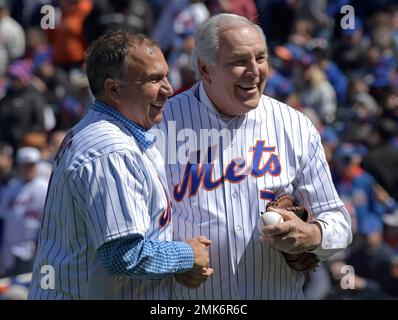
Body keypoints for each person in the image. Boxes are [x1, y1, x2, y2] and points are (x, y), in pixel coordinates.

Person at [155, 13, 352, 299]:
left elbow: (339, 221)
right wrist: (172, 258)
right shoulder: (161, 126)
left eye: (260, 58)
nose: (254, 71)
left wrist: (313, 235)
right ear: (204, 69)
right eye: (239, 61)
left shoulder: (294, 126)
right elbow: (139, 228)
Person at [28, 30, 213, 300]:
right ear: (113, 89)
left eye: (165, 75)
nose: (169, 89)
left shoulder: (118, 135)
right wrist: (187, 255)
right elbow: (122, 255)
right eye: (153, 79)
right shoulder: (110, 150)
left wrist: (174, 265)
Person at [0, 147, 48, 277]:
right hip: (9, 249)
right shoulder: (11, 187)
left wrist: (40, 246)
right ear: (19, 166)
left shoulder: (44, 188)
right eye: (25, 165)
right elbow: (3, 219)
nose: (29, 169)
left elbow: (48, 221)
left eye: (32, 165)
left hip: (32, 248)